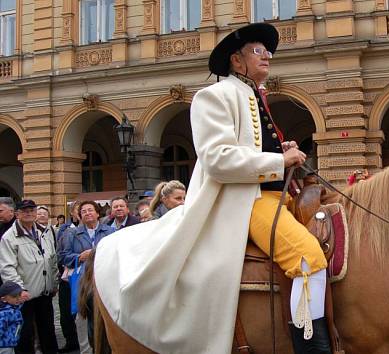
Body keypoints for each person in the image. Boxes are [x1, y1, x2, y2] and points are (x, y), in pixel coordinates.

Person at [94, 23, 329, 354]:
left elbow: (251, 150)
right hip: (247, 201)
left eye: (268, 52)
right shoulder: (213, 96)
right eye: (258, 51)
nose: (267, 58)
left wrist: (281, 154)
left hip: (277, 198)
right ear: (236, 60)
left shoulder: (255, 96)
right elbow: (218, 158)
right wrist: (278, 161)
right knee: (309, 259)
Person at [0, 200, 58, 354]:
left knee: (48, 332)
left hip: (44, 293)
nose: (29, 213)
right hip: (24, 295)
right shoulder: (9, 237)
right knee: (25, 336)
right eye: (24, 210)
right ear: (17, 214)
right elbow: (7, 268)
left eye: (32, 210)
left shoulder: (43, 233)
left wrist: (54, 283)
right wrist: (18, 290)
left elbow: (52, 259)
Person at [60, 201, 113, 354]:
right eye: (84, 211)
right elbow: (63, 257)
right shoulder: (71, 233)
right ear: (80, 216)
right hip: (83, 281)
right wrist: (80, 257)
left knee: (105, 315)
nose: (87, 213)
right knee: (83, 318)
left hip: (105, 279)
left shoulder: (110, 231)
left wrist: (96, 254)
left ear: (98, 213)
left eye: (91, 210)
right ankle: (86, 351)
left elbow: (117, 253)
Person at [55, 202, 81, 353]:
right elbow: (60, 252)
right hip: (68, 275)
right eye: (79, 210)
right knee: (66, 311)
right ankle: (71, 340)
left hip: (85, 275)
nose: (82, 213)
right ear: (72, 213)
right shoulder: (65, 229)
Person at [0, 281, 24, 354]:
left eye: (19, 295)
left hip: (10, 344)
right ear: (4, 299)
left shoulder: (14, 308)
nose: (18, 298)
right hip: (4, 346)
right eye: (14, 296)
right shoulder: (5, 313)